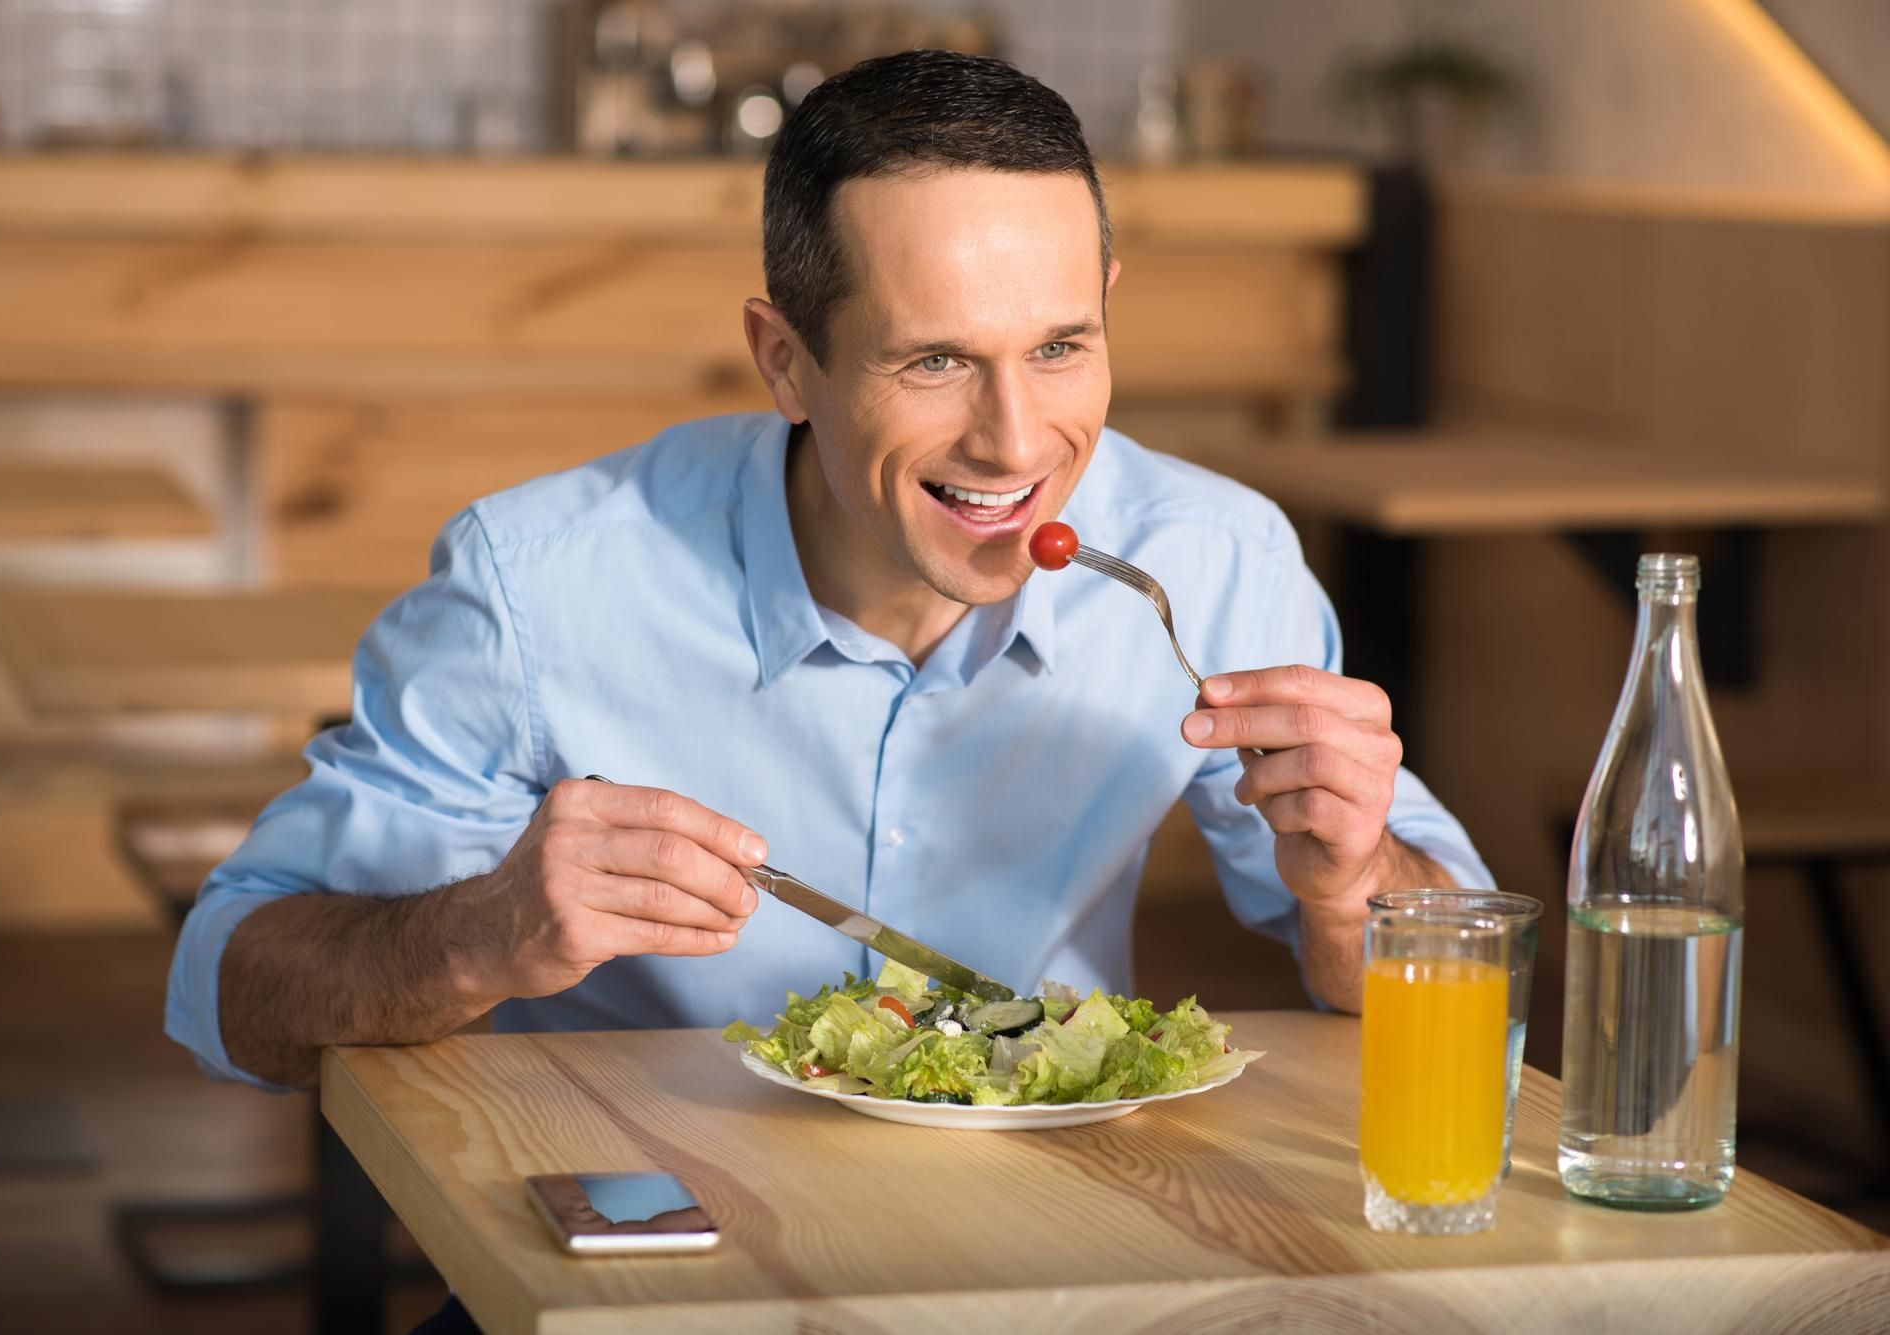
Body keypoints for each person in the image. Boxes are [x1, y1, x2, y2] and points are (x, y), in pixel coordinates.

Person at [168, 49, 1488, 1101]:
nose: (1016, 443)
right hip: (655, 1254)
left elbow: (1449, 980)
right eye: (935, 361)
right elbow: (229, 989)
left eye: (1059, 348)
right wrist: (480, 933)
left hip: (1042, 1249)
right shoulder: (535, 585)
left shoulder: (1214, 562)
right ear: (786, 361)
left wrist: (1353, 889)